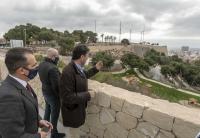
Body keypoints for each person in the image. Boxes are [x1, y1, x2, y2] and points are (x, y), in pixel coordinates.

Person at [0, 48, 53, 138]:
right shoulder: (9, 96)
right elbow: (13, 135)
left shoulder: (21, 83)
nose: (38, 67)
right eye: (34, 65)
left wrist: (39, 121)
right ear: (21, 71)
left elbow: (25, 110)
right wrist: (40, 136)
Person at [59, 45, 103, 129]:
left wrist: (95, 69)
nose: (88, 58)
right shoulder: (68, 71)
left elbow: (83, 75)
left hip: (78, 110)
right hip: (72, 113)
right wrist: (88, 95)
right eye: (87, 56)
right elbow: (67, 97)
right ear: (82, 57)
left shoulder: (77, 67)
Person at [38, 48, 65, 138]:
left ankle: (44, 130)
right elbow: (57, 86)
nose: (58, 58)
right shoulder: (53, 68)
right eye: (57, 56)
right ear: (53, 57)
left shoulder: (42, 64)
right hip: (53, 95)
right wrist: (60, 97)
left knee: (48, 110)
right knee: (54, 114)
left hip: (45, 91)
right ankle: (54, 134)